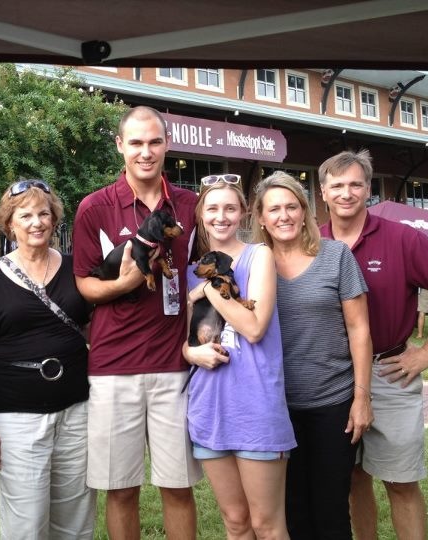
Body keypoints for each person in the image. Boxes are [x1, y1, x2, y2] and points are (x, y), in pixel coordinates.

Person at [318, 149, 428, 540]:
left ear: (368, 189)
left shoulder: (403, 238)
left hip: (390, 373)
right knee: (352, 477)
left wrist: (426, 353)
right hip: (332, 378)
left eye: (355, 184)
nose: (346, 193)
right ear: (322, 192)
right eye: (336, 185)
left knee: (401, 481)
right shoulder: (311, 243)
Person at [73, 105, 202, 540]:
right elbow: (84, 286)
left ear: (167, 145)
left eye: (154, 142)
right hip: (113, 367)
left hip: (175, 364)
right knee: (120, 490)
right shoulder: (94, 208)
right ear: (120, 147)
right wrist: (125, 283)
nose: (145, 152)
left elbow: (205, 271)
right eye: (136, 143)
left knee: (178, 487)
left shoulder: (189, 206)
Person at [0, 179, 96, 539]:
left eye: (44, 213)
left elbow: (93, 331)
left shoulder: (76, 269)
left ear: (54, 220)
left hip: (76, 411)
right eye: (25, 215)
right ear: (9, 224)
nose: (36, 222)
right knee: (26, 523)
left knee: (75, 519)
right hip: (16, 417)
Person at [253, 171, 373, 539]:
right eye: (274, 209)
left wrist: (361, 398)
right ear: (260, 217)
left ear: (305, 211)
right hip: (276, 408)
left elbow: (359, 329)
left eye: (292, 206)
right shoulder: (254, 264)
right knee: (291, 511)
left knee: (331, 509)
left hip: (332, 403)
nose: (284, 216)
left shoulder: (335, 256)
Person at [184, 174, 296, 538]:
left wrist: (208, 289)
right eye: (213, 208)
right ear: (201, 213)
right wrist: (191, 351)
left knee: (267, 524)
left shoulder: (258, 255)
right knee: (235, 522)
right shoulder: (188, 270)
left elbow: (254, 327)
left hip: (255, 404)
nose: (221, 216)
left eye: (230, 208)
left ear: (244, 213)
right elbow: (181, 341)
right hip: (209, 406)